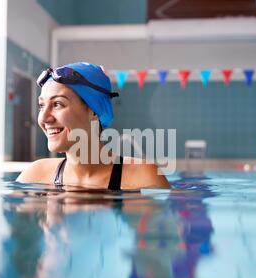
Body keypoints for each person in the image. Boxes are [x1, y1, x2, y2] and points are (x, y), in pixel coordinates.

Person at [16, 62, 170, 190]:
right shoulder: (34, 175)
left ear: (94, 111)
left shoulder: (143, 178)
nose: (43, 118)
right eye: (41, 106)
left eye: (57, 104)